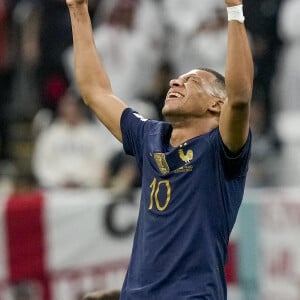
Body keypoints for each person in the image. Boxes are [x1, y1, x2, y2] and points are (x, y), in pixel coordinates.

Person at [66, 0, 253, 298]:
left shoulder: (221, 149)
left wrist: (234, 10)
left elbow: (240, 97)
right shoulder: (149, 137)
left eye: (191, 81)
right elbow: (94, 91)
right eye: (178, 78)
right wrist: (77, 10)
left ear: (217, 104)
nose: (174, 81)